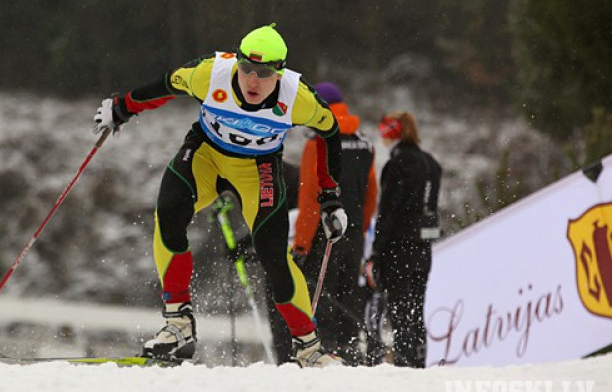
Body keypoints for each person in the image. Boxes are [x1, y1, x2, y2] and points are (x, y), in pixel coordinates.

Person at [92, 24, 350, 367]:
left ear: (280, 72)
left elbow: (330, 132)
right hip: (207, 156)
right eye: (246, 69)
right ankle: (178, 325)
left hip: (257, 169)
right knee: (168, 213)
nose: (252, 80)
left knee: (274, 255)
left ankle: (309, 348)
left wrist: (330, 196)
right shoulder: (210, 74)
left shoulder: (298, 97)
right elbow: (166, 84)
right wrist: (122, 107)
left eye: (264, 73)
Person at [290, 82, 377, 365]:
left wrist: (301, 244)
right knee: (349, 297)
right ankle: (352, 354)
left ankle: (325, 358)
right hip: (353, 236)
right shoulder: (365, 143)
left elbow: (310, 199)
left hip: (323, 235)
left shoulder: (317, 142)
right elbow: (371, 192)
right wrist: (361, 230)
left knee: (322, 298)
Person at [364, 111, 442, 368]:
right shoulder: (431, 164)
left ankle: (405, 364)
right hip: (423, 249)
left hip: (399, 249)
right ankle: (418, 362)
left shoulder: (398, 164)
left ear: (392, 133)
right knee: (416, 310)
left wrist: (376, 252)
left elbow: (388, 212)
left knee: (399, 312)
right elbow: (427, 208)